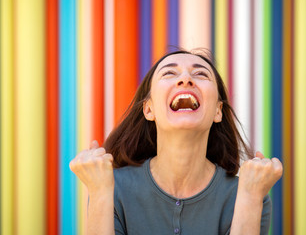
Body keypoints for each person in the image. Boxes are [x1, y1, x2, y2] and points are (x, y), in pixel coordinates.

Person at [70, 50, 283, 235]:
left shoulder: (251, 194)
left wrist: (249, 196)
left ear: (218, 111)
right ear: (149, 109)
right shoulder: (110, 187)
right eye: (169, 73)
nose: (185, 80)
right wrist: (98, 193)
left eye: (200, 74)